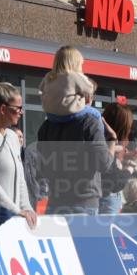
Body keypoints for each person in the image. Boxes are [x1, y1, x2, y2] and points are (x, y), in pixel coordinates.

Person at [35, 77, 119, 215]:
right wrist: (111, 140)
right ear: (86, 97)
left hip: (56, 200)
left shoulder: (47, 125)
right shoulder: (90, 122)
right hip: (83, 201)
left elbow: (43, 168)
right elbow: (104, 164)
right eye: (91, 95)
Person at [0, 82, 37, 228]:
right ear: (3, 109)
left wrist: (27, 208)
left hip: (13, 221)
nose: (21, 112)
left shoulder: (12, 137)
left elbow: (20, 179)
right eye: (17, 108)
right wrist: (15, 210)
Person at [99, 102, 137, 214]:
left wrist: (124, 159)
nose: (130, 129)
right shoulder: (108, 143)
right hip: (107, 200)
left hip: (106, 199)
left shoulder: (101, 141)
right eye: (129, 126)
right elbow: (115, 183)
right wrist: (132, 166)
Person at [38, 45, 96, 117]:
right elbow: (90, 89)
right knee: (95, 113)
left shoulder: (49, 76)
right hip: (69, 113)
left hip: (51, 115)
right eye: (81, 64)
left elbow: (41, 89)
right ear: (76, 64)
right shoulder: (74, 76)